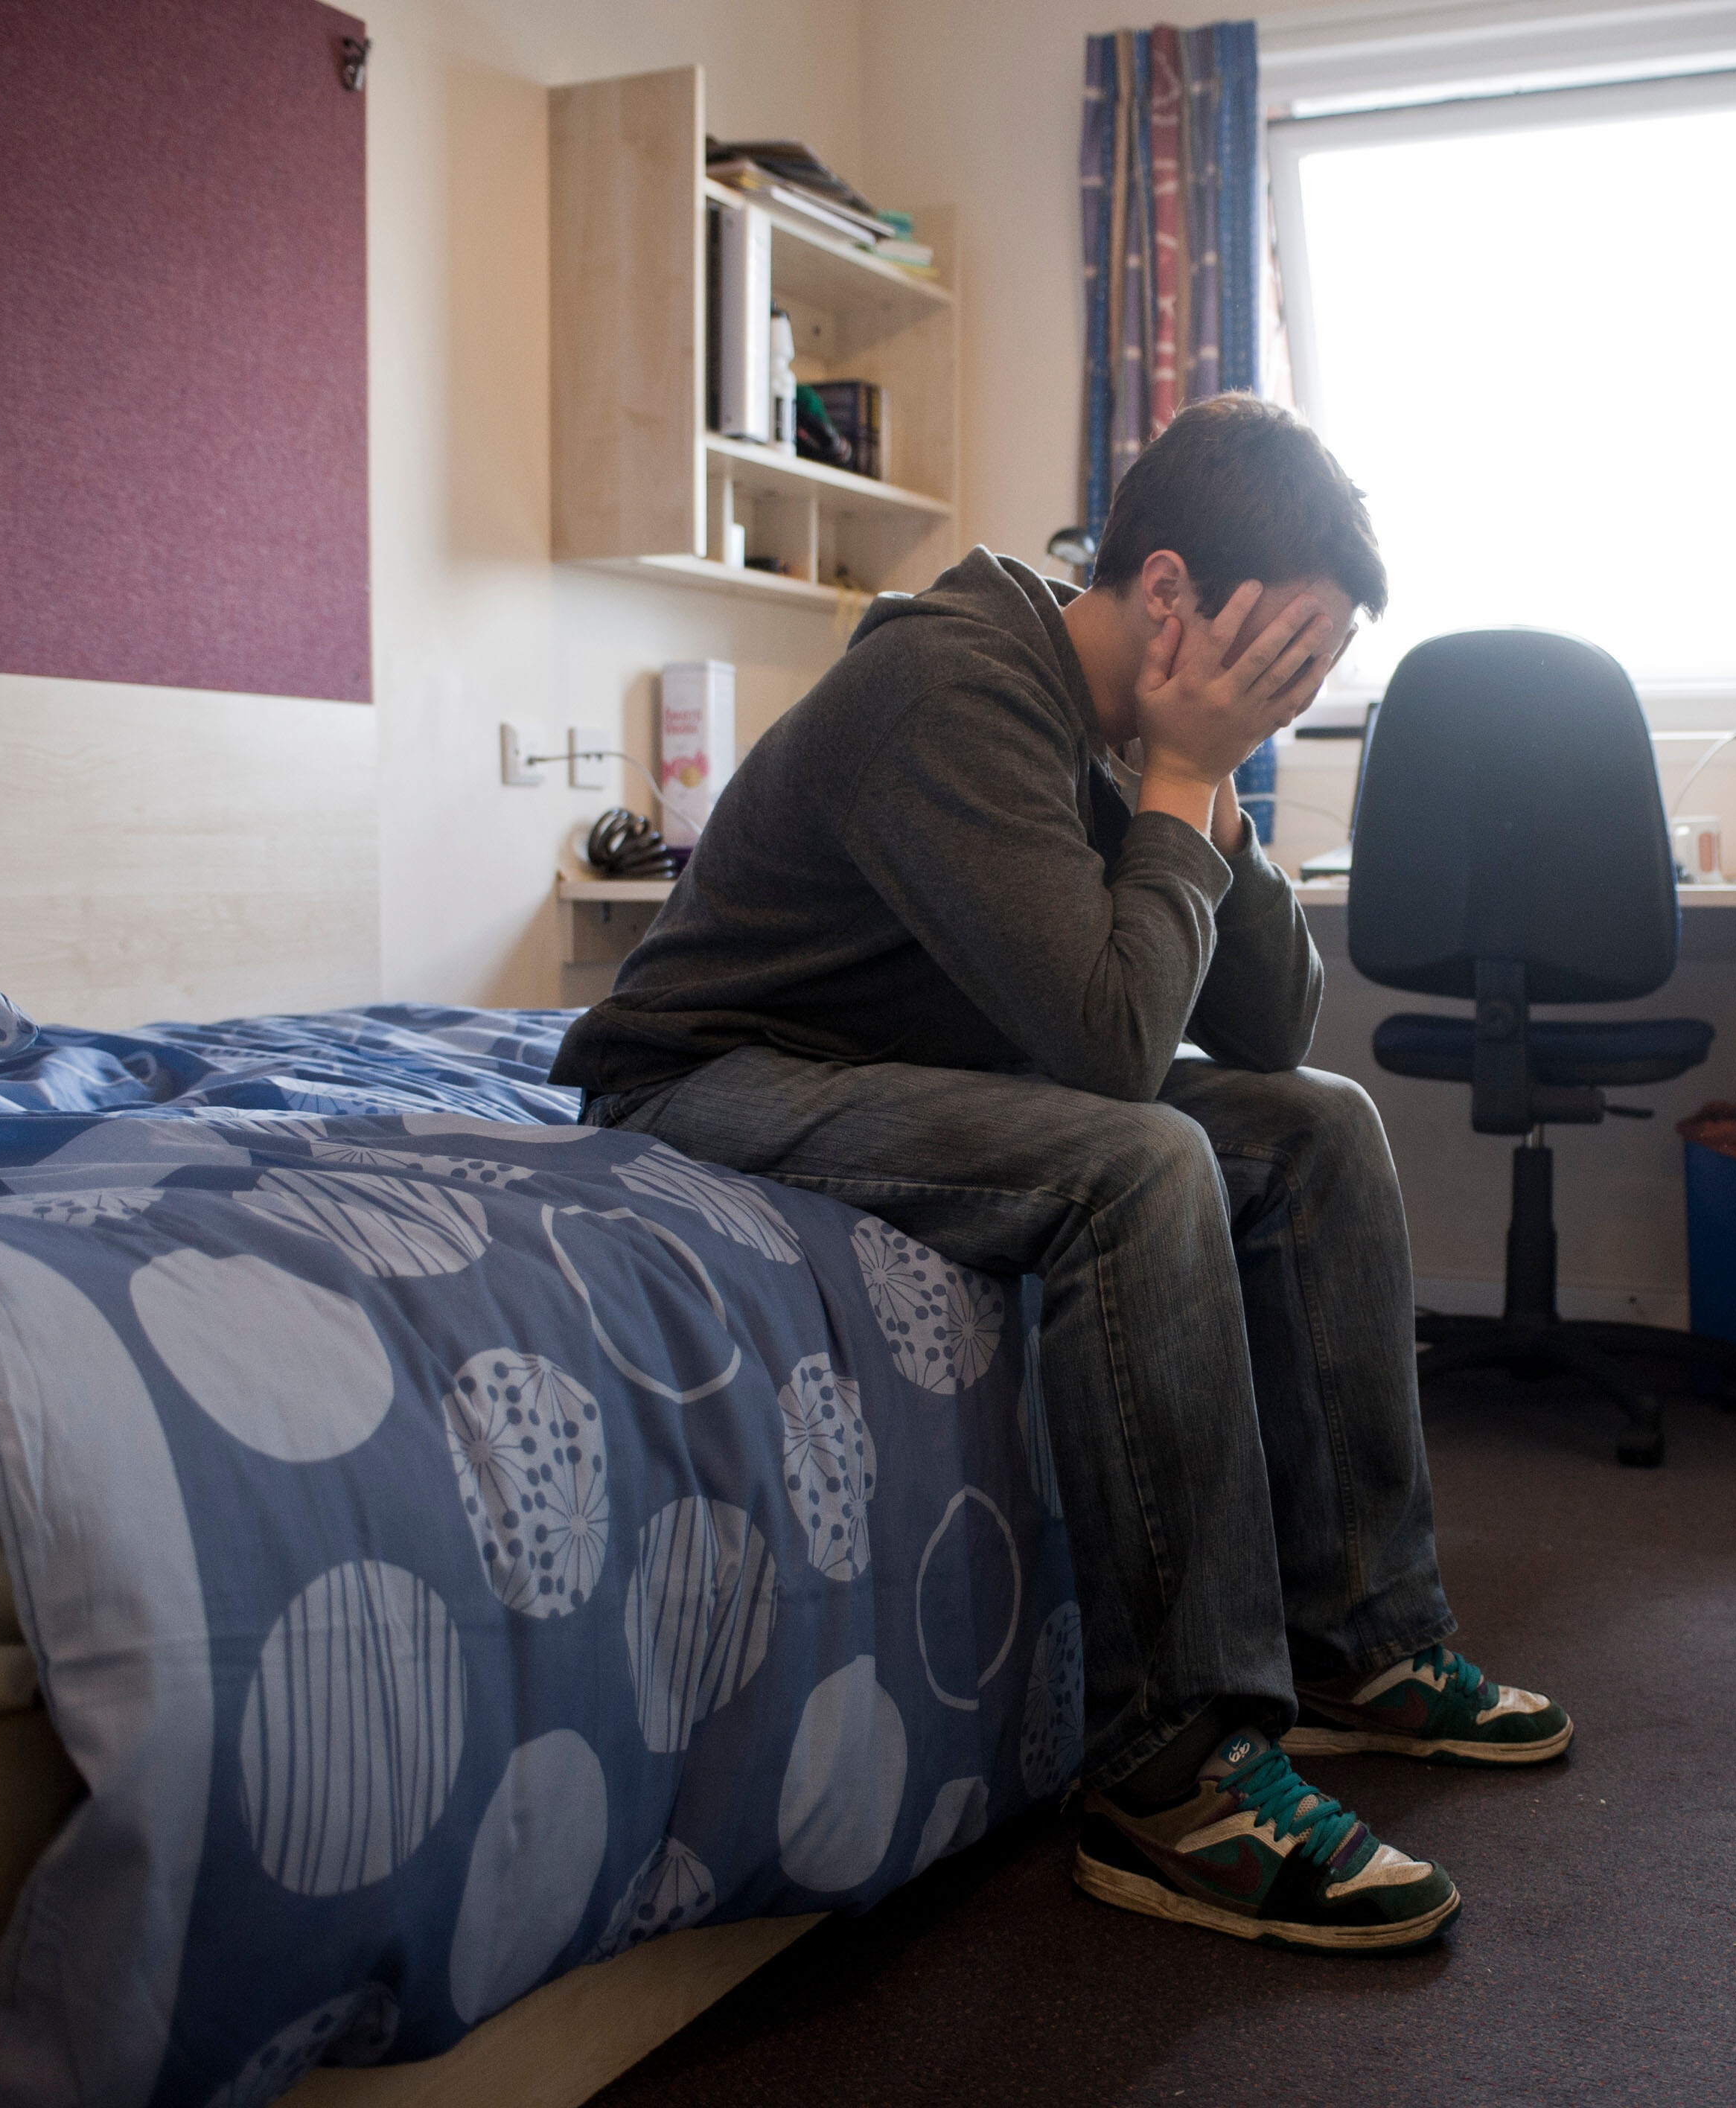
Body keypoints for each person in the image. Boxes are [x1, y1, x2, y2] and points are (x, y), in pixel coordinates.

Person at [552, 393, 1569, 1953]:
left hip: (917, 1067)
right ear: (1169, 595)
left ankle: (1362, 1642)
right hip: (720, 1071)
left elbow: (1268, 1022)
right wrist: (1173, 785)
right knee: (1138, 1163)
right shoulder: (949, 691)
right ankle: (1175, 1774)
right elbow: (1106, 1051)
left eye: (1313, 673)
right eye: (1282, 657)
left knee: (1316, 1122)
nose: (1292, 693)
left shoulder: (1136, 732)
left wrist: (1213, 783)